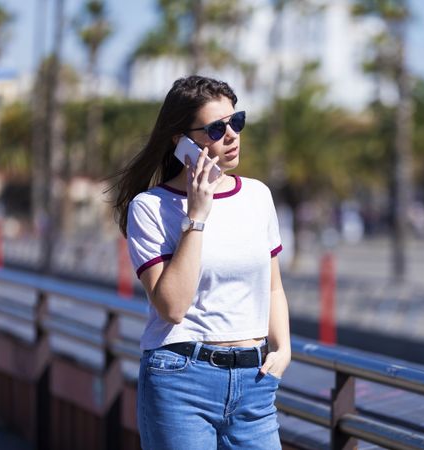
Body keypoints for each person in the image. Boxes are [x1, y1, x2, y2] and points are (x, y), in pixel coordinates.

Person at [111, 75, 290, 449]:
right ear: (181, 141)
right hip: (181, 380)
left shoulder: (257, 196)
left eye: (236, 121)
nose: (232, 135)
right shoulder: (150, 208)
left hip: (254, 381)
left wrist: (283, 348)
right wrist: (196, 216)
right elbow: (172, 307)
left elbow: (272, 285)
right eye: (216, 128)